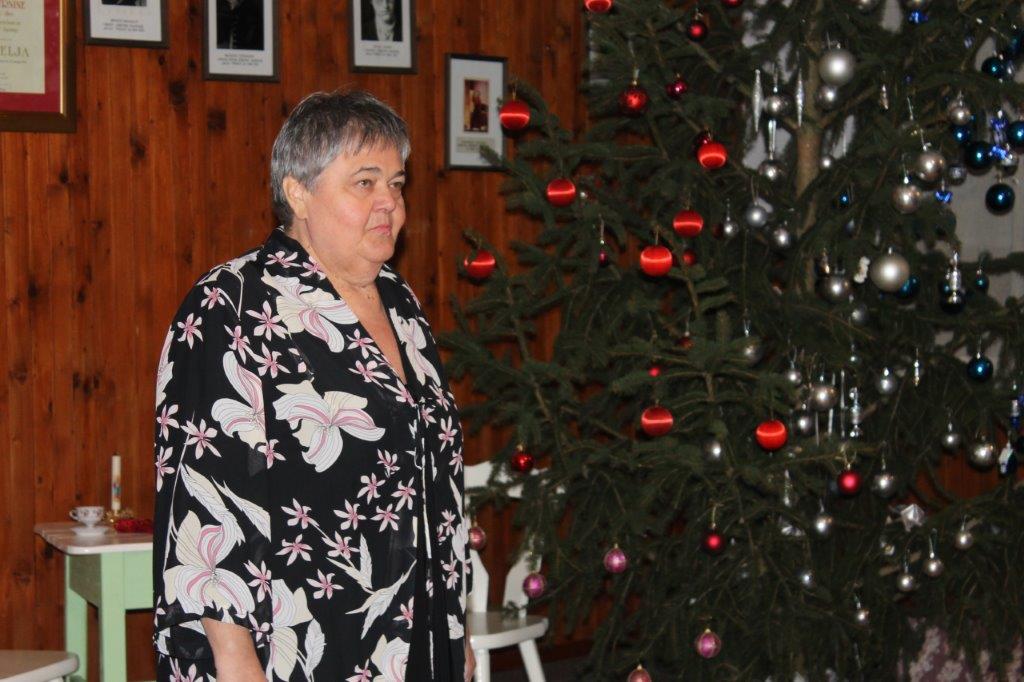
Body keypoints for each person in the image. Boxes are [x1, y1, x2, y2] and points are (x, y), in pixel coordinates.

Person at [153, 90, 474, 681]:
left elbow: (438, 484)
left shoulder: (401, 304)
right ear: (298, 192)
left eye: (396, 184)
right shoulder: (232, 304)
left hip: (419, 638)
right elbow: (205, 497)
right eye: (365, 183)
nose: (390, 203)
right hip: (296, 645)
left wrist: (455, 626)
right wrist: (234, 660)